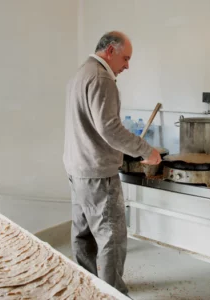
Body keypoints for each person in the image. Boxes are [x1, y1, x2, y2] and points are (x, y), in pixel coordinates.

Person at [63, 31, 161, 296]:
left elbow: (94, 125)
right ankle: (112, 293)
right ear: (110, 51)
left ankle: (89, 286)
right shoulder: (102, 78)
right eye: (125, 58)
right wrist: (146, 151)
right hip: (97, 173)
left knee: (82, 233)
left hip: (76, 167)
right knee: (111, 237)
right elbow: (110, 130)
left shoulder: (81, 73)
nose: (127, 66)